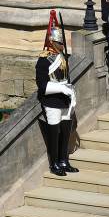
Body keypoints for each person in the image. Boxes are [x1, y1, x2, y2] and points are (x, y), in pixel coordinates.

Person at [36, 10, 78, 177]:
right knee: (54, 134)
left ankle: (63, 160)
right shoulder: (43, 60)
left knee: (66, 131)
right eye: (58, 42)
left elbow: (66, 77)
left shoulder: (63, 57)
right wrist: (61, 88)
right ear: (51, 42)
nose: (62, 44)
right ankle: (54, 163)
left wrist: (69, 91)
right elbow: (43, 86)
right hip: (52, 101)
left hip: (65, 101)